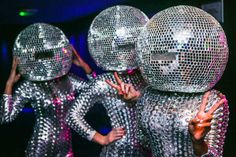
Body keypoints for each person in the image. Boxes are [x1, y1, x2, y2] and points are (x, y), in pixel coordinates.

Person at [108, 5, 229, 157]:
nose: (177, 60)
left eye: (186, 54)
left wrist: (198, 142)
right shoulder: (148, 94)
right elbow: (144, 140)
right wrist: (137, 101)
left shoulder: (211, 101)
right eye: (168, 54)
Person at [66, 5, 149, 157]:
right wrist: (101, 139)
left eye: (132, 45)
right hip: (117, 152)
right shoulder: (104, 81)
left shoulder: (147, 77)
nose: (128, 51)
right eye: (123, 46)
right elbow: (72, 116)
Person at [0, 23, 92, 157]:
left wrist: (84, 66)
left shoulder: (70, 80)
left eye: (50, 54)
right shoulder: (29, 86)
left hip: (66, 147)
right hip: (41, 147)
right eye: (41, 56)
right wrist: (9, 84)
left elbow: (96, 90)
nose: (47, 60)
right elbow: (5, 117)